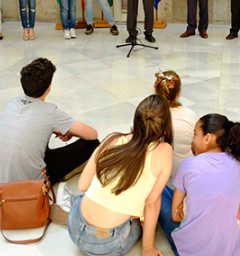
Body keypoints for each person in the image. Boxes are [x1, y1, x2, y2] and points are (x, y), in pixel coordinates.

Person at [67, 95, 172, 256]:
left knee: (90, 194)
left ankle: (74, 205)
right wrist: (148, 247)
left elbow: (82, 185)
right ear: (165, 125)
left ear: (136, 119)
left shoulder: (112, 138)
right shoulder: (164, 151)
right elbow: (152, 204)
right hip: (108, 245)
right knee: (146, 212)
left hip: (74, 225)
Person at [158, 113, 240, 256]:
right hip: (228, 251)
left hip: (189, 251)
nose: (193, 140)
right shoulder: (239, 165)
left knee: (158, 190)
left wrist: (191, 209)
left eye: (195, 134)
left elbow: (175, 216)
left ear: (208, 138)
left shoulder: (187, 165)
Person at [0, 58, 99, 184]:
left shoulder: (13, 102)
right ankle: (67, 172)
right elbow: (92, 134)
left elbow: (29, 124)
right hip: (33, 183)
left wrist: (54, 129)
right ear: (49, 87)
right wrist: (70, 132)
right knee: (93, 144)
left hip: (0, 178)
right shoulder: (50, 112)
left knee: (36, 138)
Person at [154, 70, 197, 177]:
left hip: (155, 172)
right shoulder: (190, 116)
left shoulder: (145, 114)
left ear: (156, 90)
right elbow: (196, 146)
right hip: (184, 172)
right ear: (179, 93)